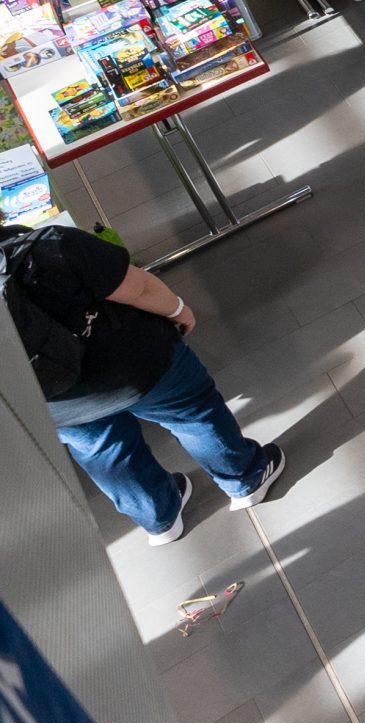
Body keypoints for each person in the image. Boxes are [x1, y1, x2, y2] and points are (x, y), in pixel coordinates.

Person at [7, 221, 288, 542]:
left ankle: (160, 518)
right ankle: (245, 479)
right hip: (136, 364)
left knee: (102, 450)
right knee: (193, 413)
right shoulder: (50, 244)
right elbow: (138, 288)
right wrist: (179, 309)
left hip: (53, 399)